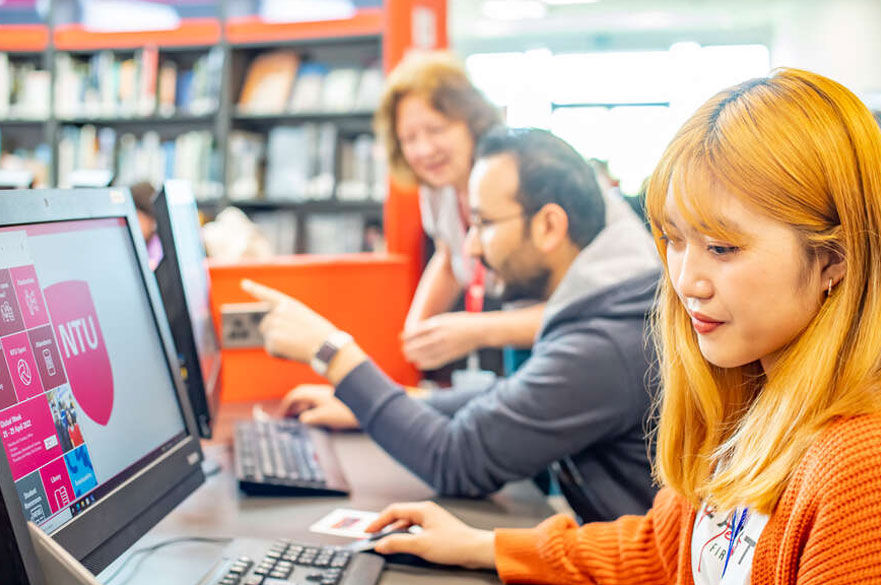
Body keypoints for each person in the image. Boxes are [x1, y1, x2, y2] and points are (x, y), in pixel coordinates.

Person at [352, 68, 881, 583]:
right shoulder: (745, 394)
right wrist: (483, 546)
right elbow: (661, 549)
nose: (686, 281)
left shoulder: (859, 467)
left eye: (722, 248)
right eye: (674, 240)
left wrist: (334, 355)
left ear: (834, 259)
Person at [243, 127, 661, 522]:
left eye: (485, 223)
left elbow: (456, 460)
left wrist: (331, 351)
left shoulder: (603, 344)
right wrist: (369, 403)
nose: (472, 247)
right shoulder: (607, 301)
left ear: (549, 225)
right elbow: (512, 398)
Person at [375, 50, 543, 371]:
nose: (424, 150)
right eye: (409, 138)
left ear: (473, 123)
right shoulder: (439, 187)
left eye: (436, 130)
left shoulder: (518, 178)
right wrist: (415, 331)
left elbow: (576, 309)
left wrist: (474, 331)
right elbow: (450, 256)